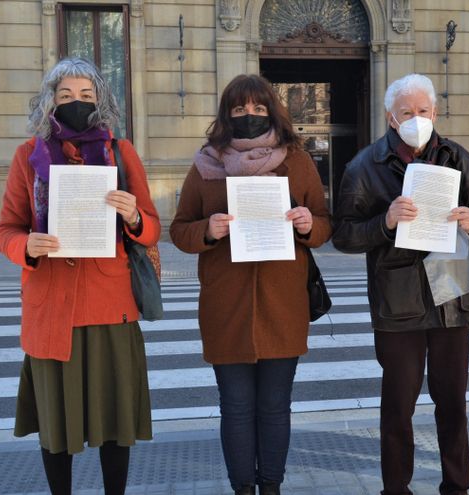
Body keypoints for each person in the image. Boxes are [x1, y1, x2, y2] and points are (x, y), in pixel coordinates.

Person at [0, 57, 159, 495]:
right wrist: (24, 246)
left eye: (86, 95)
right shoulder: (28, 156)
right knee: (56, 427)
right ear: (49, 101)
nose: (75, 102)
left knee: (115, 423)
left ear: (101, 100)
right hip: (52, 309)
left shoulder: (120, 152)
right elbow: (6, 228)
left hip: (110, 308)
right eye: (65, 95)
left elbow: (153, 225)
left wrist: (134, 216)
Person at [332, 73, 469, 495]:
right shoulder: (364, 166)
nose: (417, 118)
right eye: (407, 112)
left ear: (435, 113)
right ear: (391, 117)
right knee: (398, 407)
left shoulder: (457, 157)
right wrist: (385, 223)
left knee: (453, 403)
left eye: (423, 111)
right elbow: (345, 235)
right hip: (397, 300)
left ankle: (457, 485)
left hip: (451, 295)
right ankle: (396, 488)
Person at [169, 74, 330, 495]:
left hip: (283, 304)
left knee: (275, 408)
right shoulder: (206, 164)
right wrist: (208, 229)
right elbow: (179, 229)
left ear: (273, 112)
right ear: (226, 115)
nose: (249, 115)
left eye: (258, 108)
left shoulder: (297, 161)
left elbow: (325, 222)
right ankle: (242, 488)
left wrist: (309, 224)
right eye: (239, 110)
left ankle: (271, 486)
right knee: (237, 408)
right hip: (226, 306)